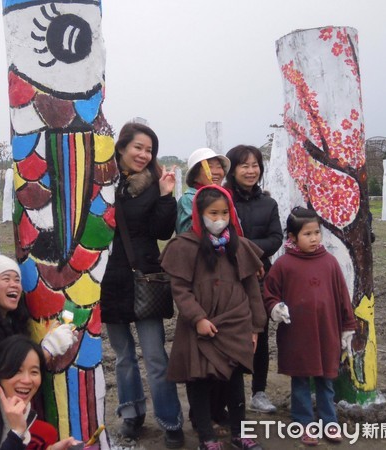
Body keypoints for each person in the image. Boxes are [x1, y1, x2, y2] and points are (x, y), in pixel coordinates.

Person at [161, 185, 266, 450]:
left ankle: (240, 433)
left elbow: (252, 289)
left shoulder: (239, 246)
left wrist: (255, 327)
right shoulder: (184, 246)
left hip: (235, 322)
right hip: (200, 326)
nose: (219, 219)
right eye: (212, 213)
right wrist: (197, 318)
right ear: (198, 213)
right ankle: (206, 437)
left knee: (234, 380)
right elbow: (180, 290)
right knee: (200, 380)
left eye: (224, 212)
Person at [99, 122, 184, 448]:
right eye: (138, 147)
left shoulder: (154, 184)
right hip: (109, 279)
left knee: (155, 356)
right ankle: (131, 413)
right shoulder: (102, 183)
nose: (144, 154)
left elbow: (163, 232)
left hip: (144, 276)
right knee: (122, 355)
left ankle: (170, 420)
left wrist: (165, 196)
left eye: (149, 150)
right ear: (121, 148)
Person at [263, 207, 357, 446]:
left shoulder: (330, 262)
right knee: (301, 380)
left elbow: (342, 297)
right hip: (297, 334)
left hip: (327, 332)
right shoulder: (283, 265)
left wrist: (347, 327)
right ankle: (304, 423)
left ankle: (330, 421)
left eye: (317, 232)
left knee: (327, 379)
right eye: (307, 234)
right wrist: (276, 308)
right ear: (292, 237)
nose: (314, 238)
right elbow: (269, 294)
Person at [223, 144, 283, 414]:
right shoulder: (222, 200)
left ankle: (259, 392)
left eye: (255, 165)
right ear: (233, 170)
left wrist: (246, 249)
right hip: (228, 276)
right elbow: (220, 239)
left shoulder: (268, 203)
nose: (251, 171)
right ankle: (226, 393)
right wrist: (245, 249)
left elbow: (275, 239)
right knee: (228, 333)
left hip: (260, 275)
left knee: (260, 333)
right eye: (244, 165)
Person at [0, 254, 77, 380]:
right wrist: (50, 348)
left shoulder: (12, 321)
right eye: (6, 279)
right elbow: (8, 373)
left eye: (17, 280)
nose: (14, 285)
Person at [176, 147, 232, 234]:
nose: (216, 172)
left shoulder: (225, 196)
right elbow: (187, 234)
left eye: (219, 167)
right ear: (195, 174)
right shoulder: (189, 199)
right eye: (209, 167)